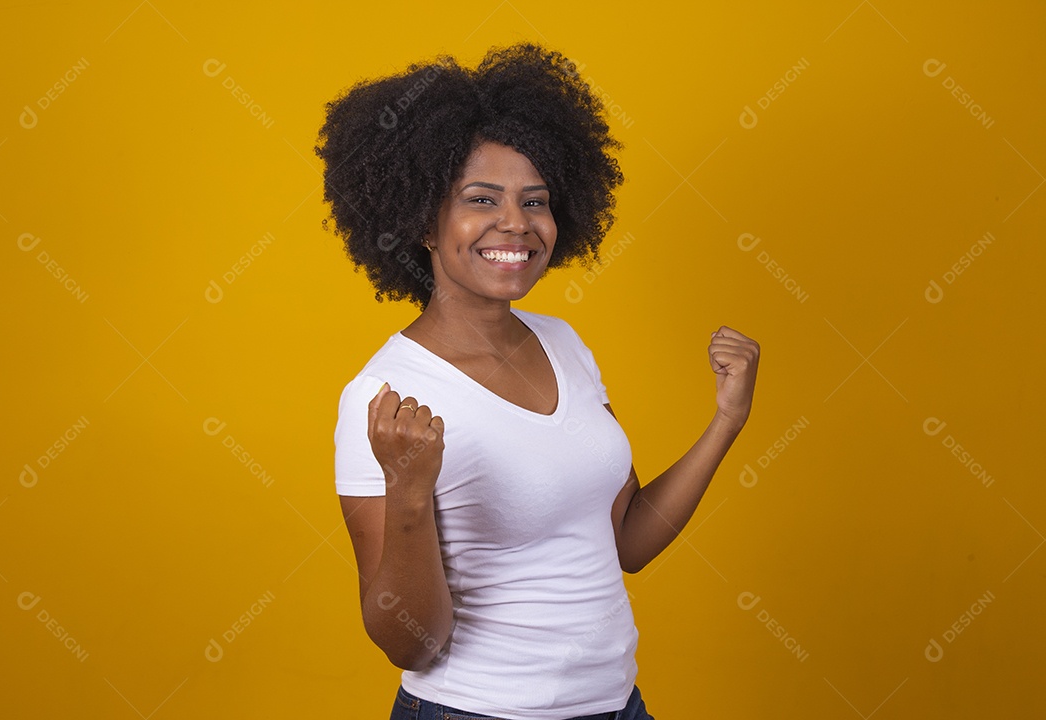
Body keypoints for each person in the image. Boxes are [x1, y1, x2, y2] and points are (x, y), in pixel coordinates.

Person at [317, 43, 759, 720]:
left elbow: (626, 541)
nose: (517, 224)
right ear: (422, 222)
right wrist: (408, 491)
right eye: (481, 199)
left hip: (618, 705)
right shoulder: (386, 397)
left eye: (536, 201)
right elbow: (411, 644)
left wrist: (726, 421)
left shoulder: (564, 343)